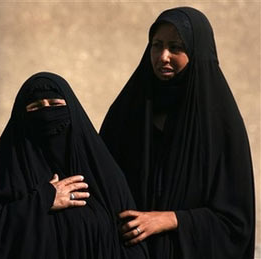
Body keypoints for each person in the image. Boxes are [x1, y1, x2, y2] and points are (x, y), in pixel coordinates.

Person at [100, 7, 255, 259]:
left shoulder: (220, 126)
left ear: (196, 53)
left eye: (176, 47)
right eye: (156, 45)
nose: (163, 56)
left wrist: (172, 220)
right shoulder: (128, 112)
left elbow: (236, 224)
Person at [0, 72, 148, 258]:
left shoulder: (103, 174)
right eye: (35, 107)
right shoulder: (7, 172)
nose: (46, 114)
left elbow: (132, 242)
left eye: (55, 105)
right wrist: (42, 200)